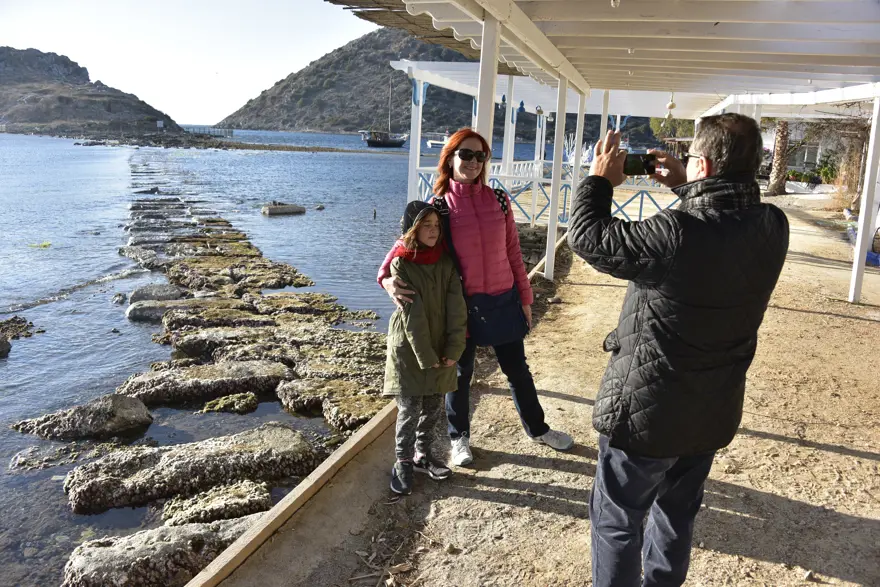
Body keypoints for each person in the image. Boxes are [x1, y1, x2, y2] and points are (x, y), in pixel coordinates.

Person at [567, 114, 789, 587]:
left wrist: (597, 180)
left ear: (704, 164)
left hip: (647, 414)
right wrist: (689, 184)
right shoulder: (773, 225)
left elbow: (588, 237)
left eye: (691, 159)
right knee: (676, 514)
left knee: (618, 521)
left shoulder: (675, 233)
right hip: (711, 409)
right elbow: (719, 224)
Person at [379, 128, 573, 467]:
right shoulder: (438, 206)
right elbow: (403, 247)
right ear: (451, 158)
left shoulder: (498, 199)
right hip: (459, 307)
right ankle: (459, 439)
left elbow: (513, 251)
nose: (473, 161)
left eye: (480, 156)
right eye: (466, 154)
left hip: (503, 299)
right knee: (459, 373)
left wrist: (524, 299)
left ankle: (538, 428)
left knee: (517, 370)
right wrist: (386, 281)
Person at [383, 201, 467, 495]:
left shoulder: (445, 262)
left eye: (436, 225)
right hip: (409, 349)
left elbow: (457, 308)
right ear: (412, 229)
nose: (432, 231)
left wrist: (454, 349)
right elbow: (412, 315)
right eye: (425, 225)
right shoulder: (401, 263)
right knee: (409, 409)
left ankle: (423, 455)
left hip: (442, 346)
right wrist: (426, 357)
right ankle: (403, 461)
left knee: (432, 407)